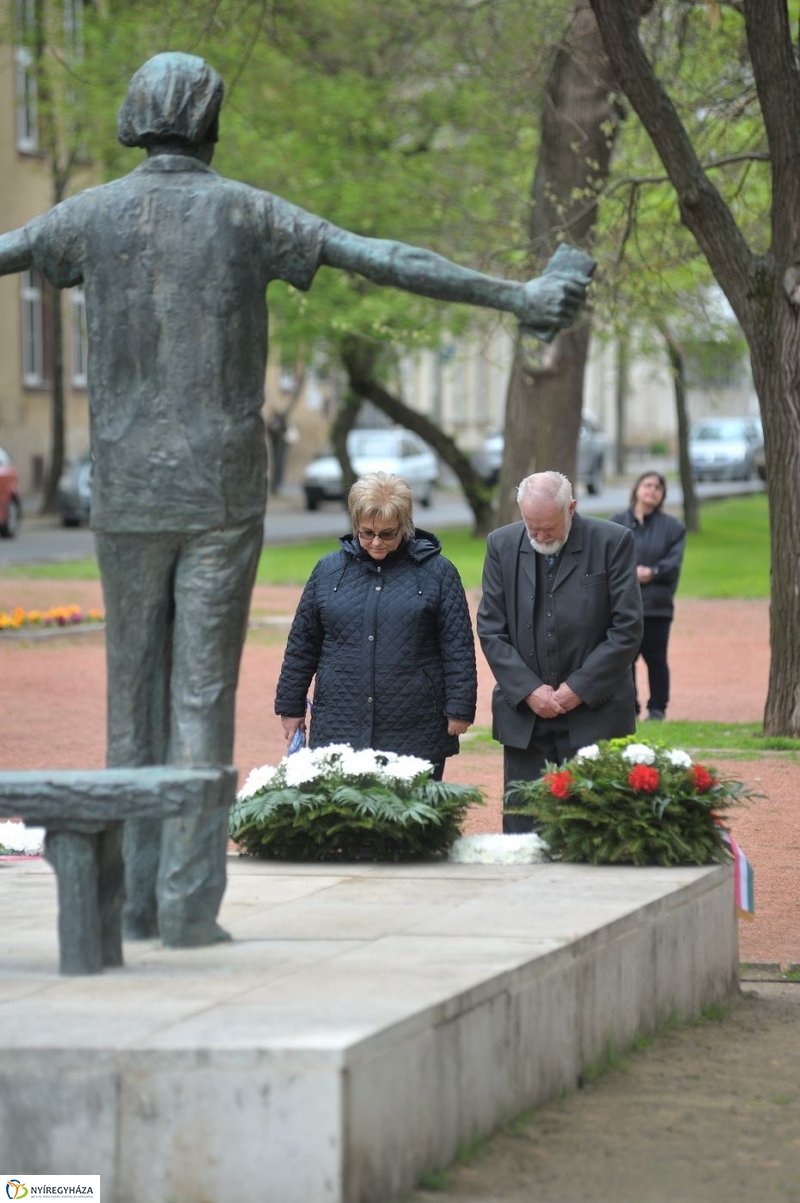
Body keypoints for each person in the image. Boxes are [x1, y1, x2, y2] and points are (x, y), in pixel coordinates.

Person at [0, 52, 591, 949]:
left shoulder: (88, 216)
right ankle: (186, 908)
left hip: (125, 484)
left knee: (134, 697)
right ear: (210, 122)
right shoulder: (246, 212)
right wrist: (516, 296)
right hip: (218, 488)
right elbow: (384, 260)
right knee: (200, 693)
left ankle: (130, 907)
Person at [275, 472, 476, 777]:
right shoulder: (328, 571)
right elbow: (303, 642)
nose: (376, 542)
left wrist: (460, 708)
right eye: (366, 533)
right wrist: (290, 707)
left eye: (388, 533)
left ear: (405, 526)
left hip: (415, 723)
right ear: (355, 524)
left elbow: (458, 647)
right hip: (340, 720)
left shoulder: (438, 572)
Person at [477, 471, 643, 833]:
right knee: (524, 828)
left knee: (595, 828)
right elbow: (490, 627)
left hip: (596, 714)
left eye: (548, 527)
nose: (539, 536)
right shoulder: (501, 544)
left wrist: (578, 689)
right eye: (531, 526)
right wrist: (528, 690)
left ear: (571, 508)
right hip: (525, 717)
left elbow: (627, 628)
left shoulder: (612, 541)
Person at [611, 471, 686, 722]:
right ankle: (628, 707)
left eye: (658, 487)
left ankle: (657, 709)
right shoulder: (616, 523)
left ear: (663, 494)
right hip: (621, 605)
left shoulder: (673, 527)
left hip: (656, 607)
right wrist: (631, 573)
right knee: (623, 659)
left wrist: (651, 572)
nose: (652, 490)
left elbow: (672, 565)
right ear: (637, 488)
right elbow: (608, 560)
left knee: (656, 659)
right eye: (648, 485)